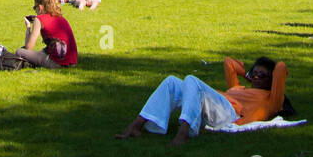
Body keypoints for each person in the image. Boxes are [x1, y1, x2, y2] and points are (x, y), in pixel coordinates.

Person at [116, 57, 287, 145]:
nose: (256, 77)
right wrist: (247, 76)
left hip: (232, 114)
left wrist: (265, 78)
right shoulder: (239, 88)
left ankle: (184, 132)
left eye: (261, 75)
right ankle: (136, 125)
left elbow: (281, 67)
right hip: (215, 106)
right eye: (254, 73)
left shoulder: (271, 99)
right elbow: (229, 63)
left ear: (271, 80)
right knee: (171, 81)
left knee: (191, 79)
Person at [15, 0, 78, 68]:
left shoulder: (39, 19)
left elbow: (28, 47)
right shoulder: (61, 18)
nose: (35, 10)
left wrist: (28, 27)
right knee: (42, 51)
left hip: (57, 63)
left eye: (35, 7)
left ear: (40, 7)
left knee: (20, 51)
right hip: (72, 62)